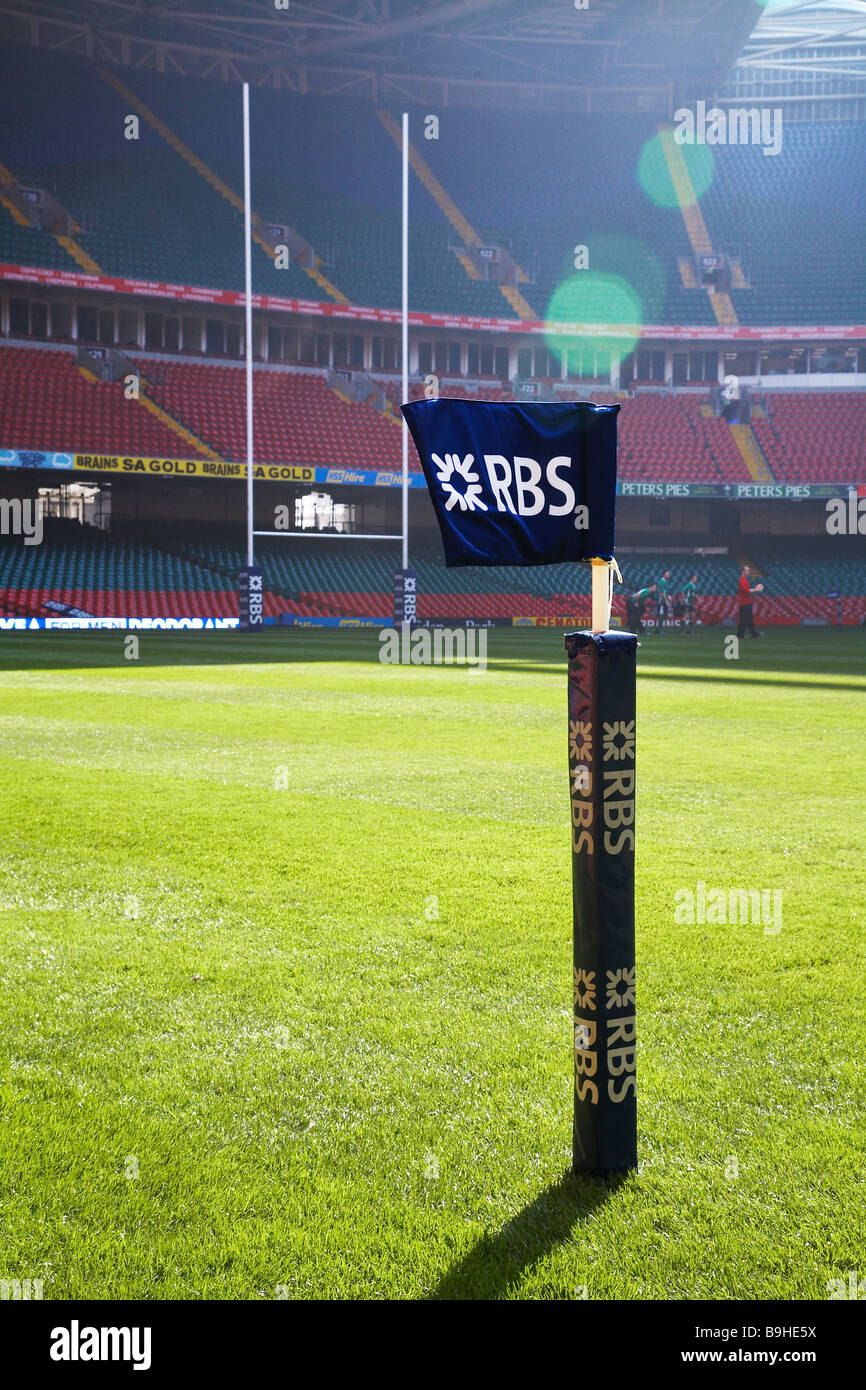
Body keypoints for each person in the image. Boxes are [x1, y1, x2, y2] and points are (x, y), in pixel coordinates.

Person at [737, 565, 764, 638]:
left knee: (747, 620)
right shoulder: (742, 580)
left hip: (746, 603)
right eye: (747, 570)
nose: (749, 572)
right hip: (745, 603)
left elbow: (746, 590)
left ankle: (749, 634)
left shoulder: (744, 580)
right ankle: (749, 634)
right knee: (746, 620)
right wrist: (756, 589)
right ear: (743, 571)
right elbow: (746, 590)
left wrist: (755, 590)